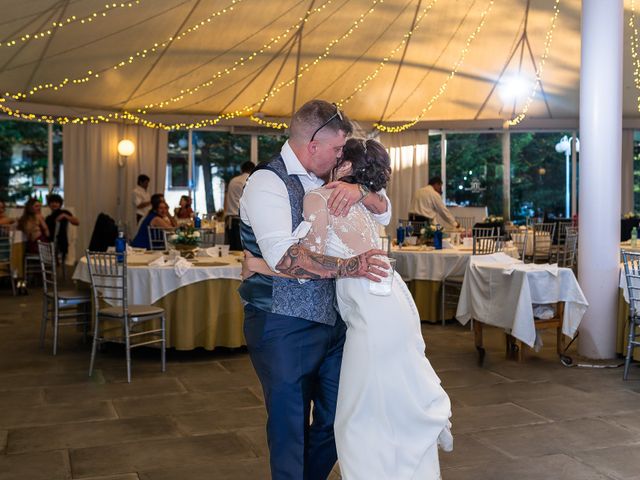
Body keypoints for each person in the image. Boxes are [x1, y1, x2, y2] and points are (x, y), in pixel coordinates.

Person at [244, 138, 453, 479]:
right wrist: (364, 192)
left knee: (358, 413)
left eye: (341, 154)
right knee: (381, 398)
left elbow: (296, 259)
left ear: (346, 166)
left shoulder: (324, 197)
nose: (334, 156)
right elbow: (376, 216)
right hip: (390, 300)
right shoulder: (358, 202)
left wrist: (256, 264)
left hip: (368, 311)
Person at [239, 100, 391, 480]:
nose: (343, 156)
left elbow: (384, 210)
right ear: (313, 144)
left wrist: (361, 194)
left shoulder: (330, 181)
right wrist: (352, 266)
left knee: (338, 417)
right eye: (338, 149)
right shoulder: (266, 182)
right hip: (282, 323)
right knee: (289, 426)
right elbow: (285, 258)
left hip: (336, 323)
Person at [225, 161, 255, 250]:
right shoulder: (251, 180)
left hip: (230, 220)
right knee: (244, 252)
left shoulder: (233, 181)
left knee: (232, 251)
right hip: (243, 221)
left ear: (242, 170)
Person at [45, 194, 79, 259]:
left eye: (56, 202)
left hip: (61, 242)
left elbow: (77, 222)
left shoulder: (64, 212)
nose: (54, 204)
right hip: (50, 243)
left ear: (60, 204)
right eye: (52, 202)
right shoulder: (48, 218)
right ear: (49, 204)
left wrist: (64, 216)